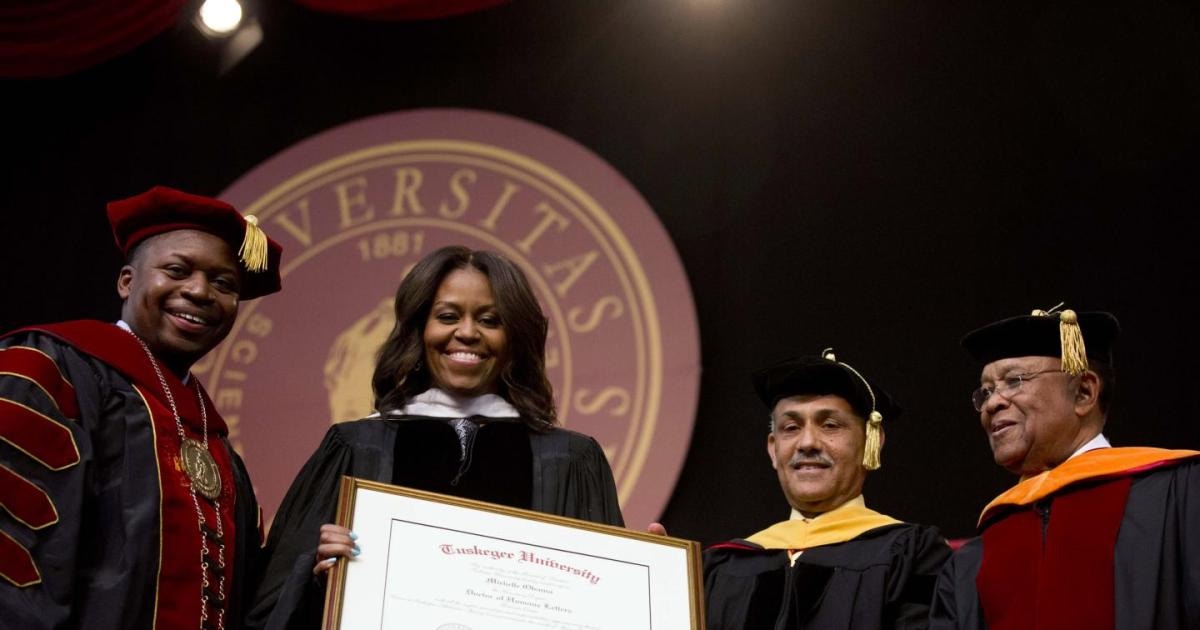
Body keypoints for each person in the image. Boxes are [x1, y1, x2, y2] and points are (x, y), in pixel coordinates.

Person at [247, 245, 623, 630]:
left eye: (491, 320)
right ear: (419, 329)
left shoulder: (571, 459)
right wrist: (317, 571)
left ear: (515, 337)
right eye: (447, 316)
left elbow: (607, 606)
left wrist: (649, 575)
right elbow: (269, 604)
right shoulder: (355, 446)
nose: (467, 332)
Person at [0, 186, 283, 630]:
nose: (199, 291)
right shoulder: (50, 371)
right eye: (177, 270)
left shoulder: (217, 446)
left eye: (224, 283)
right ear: (127, 281)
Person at [929, 305, 1200, 630]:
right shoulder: (977, 554)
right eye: (985, 391)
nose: (991, 403)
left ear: (1084, 392)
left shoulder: (1179, 496)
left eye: (1014, 381)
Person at [703, 350, 951, 629]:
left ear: (871, 440)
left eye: (830, 425)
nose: (807, 442)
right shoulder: (721, 566)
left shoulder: (911, 555)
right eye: (791, 427)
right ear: (773, 449)